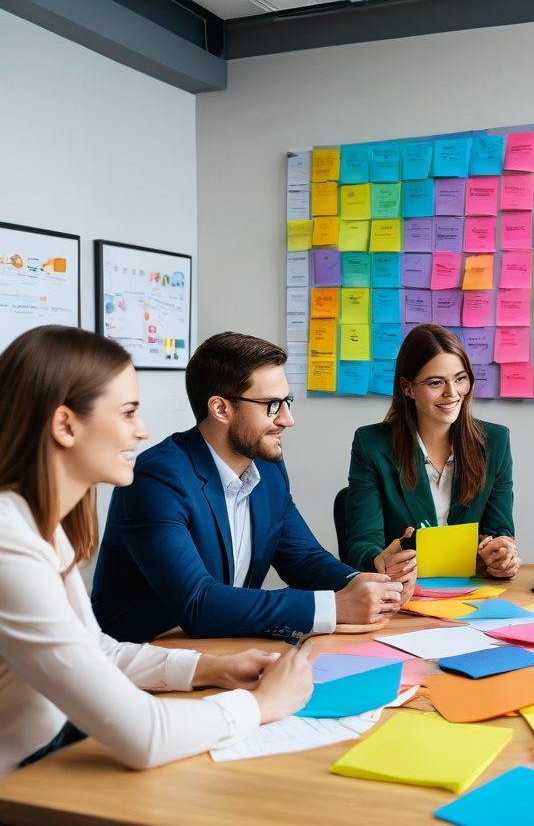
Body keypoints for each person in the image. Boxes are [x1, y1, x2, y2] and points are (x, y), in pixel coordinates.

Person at [0, 326, 312, 776]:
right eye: (128, 413)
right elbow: (143, 736)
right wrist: (259, 704)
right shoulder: (11, 544)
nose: (142, 431)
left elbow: (97, 651)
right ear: (65, 425)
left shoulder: (40, 524)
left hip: (58, 743)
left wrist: (210, 668)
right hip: (28, 775)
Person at [92, 333, 402, 642]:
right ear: (221, 409)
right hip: (145, 652)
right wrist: (334, 606)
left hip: (223, 642)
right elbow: (198, 603)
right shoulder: (157, 479)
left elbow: (303, 559)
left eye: (286, 402)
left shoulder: (266, 468)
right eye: (272, 405)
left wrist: (369, 584)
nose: (287, 419)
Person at [345, 324, 519, 587]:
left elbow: (498, 531)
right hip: (400, 592)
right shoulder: (371, 445)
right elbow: (361, 544)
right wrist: (378, 561)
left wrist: (500, 553)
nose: (452, 393)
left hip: (473, 592)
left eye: (460, 379)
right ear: (408, 388)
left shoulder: (495, 442)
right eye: (436, 382)